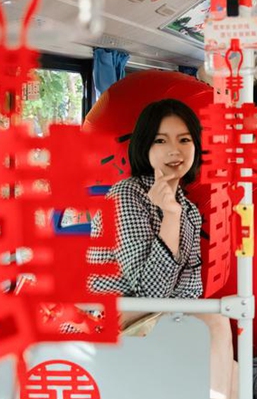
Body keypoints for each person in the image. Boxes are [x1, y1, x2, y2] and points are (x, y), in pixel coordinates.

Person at [89, 99, 237, 399]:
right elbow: (151, 292)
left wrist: (174, 212)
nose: (175, 150)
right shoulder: (126, 195)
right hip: (111, 320)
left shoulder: (189, 211)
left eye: (184, 140)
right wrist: (168, 217)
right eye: (161, 140)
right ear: (145, 147)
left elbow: (190, 289)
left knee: (235, 370)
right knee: (216, 323)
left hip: (152, 317)